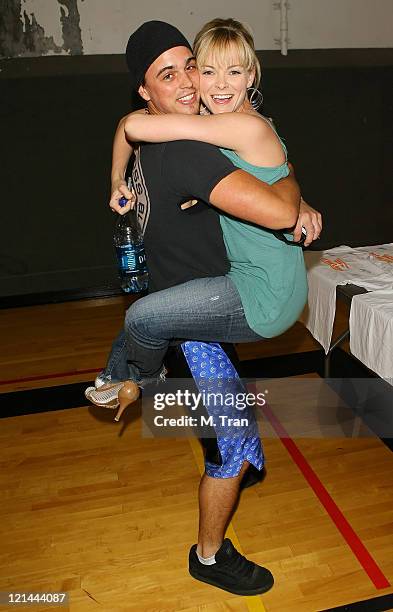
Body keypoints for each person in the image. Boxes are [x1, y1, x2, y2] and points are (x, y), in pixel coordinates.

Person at [86, 20, 321, 596]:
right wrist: (292, 186)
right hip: (198, 319)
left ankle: (134, 375)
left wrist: (115, 174)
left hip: (206, 300)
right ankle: (209, 557)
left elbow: (128, 129)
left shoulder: (166, 136)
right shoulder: (190, 149)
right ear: (146, 91)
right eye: (171, 74)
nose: (193, 81)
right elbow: (274, 209)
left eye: (192, 63)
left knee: (231, 428)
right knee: (231, 444)